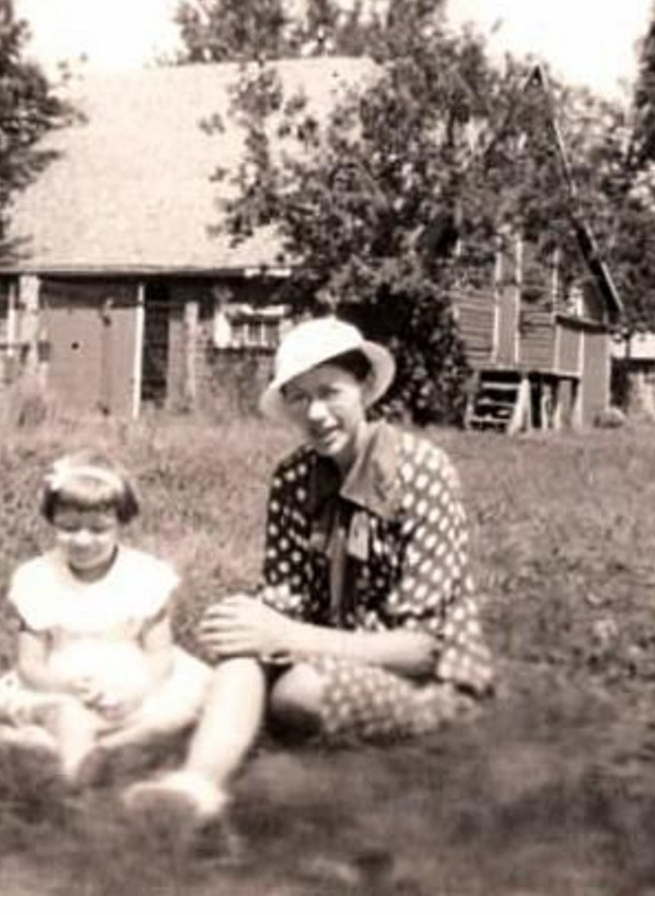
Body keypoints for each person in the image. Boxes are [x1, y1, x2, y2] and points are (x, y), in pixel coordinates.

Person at [124, 317, 494, 821]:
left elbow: (425, 649)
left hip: (431, 680)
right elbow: (284, 601)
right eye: (299, 398)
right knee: (243, 644)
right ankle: (196, 787)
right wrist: (251, 624)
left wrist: (286, 634)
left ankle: (380, 766)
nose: (316, 414)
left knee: (297, 692)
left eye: (329, 392)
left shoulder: (420, 471)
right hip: (329, 651)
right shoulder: (295, 478)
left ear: (364, 387)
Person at [0, 451, 211, 781]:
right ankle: (77, 775)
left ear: (120, 523)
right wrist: (67, 687)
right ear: (52, 521)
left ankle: (102, 747)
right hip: (62, 684)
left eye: (98, 529)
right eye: (69, 528)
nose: (82, 540)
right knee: (68, 716)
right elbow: (30, 664)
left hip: (132, 682)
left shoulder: (144, 576)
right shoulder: (38, 578)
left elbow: (160, 655)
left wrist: (135, 691)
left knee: (180, 711)